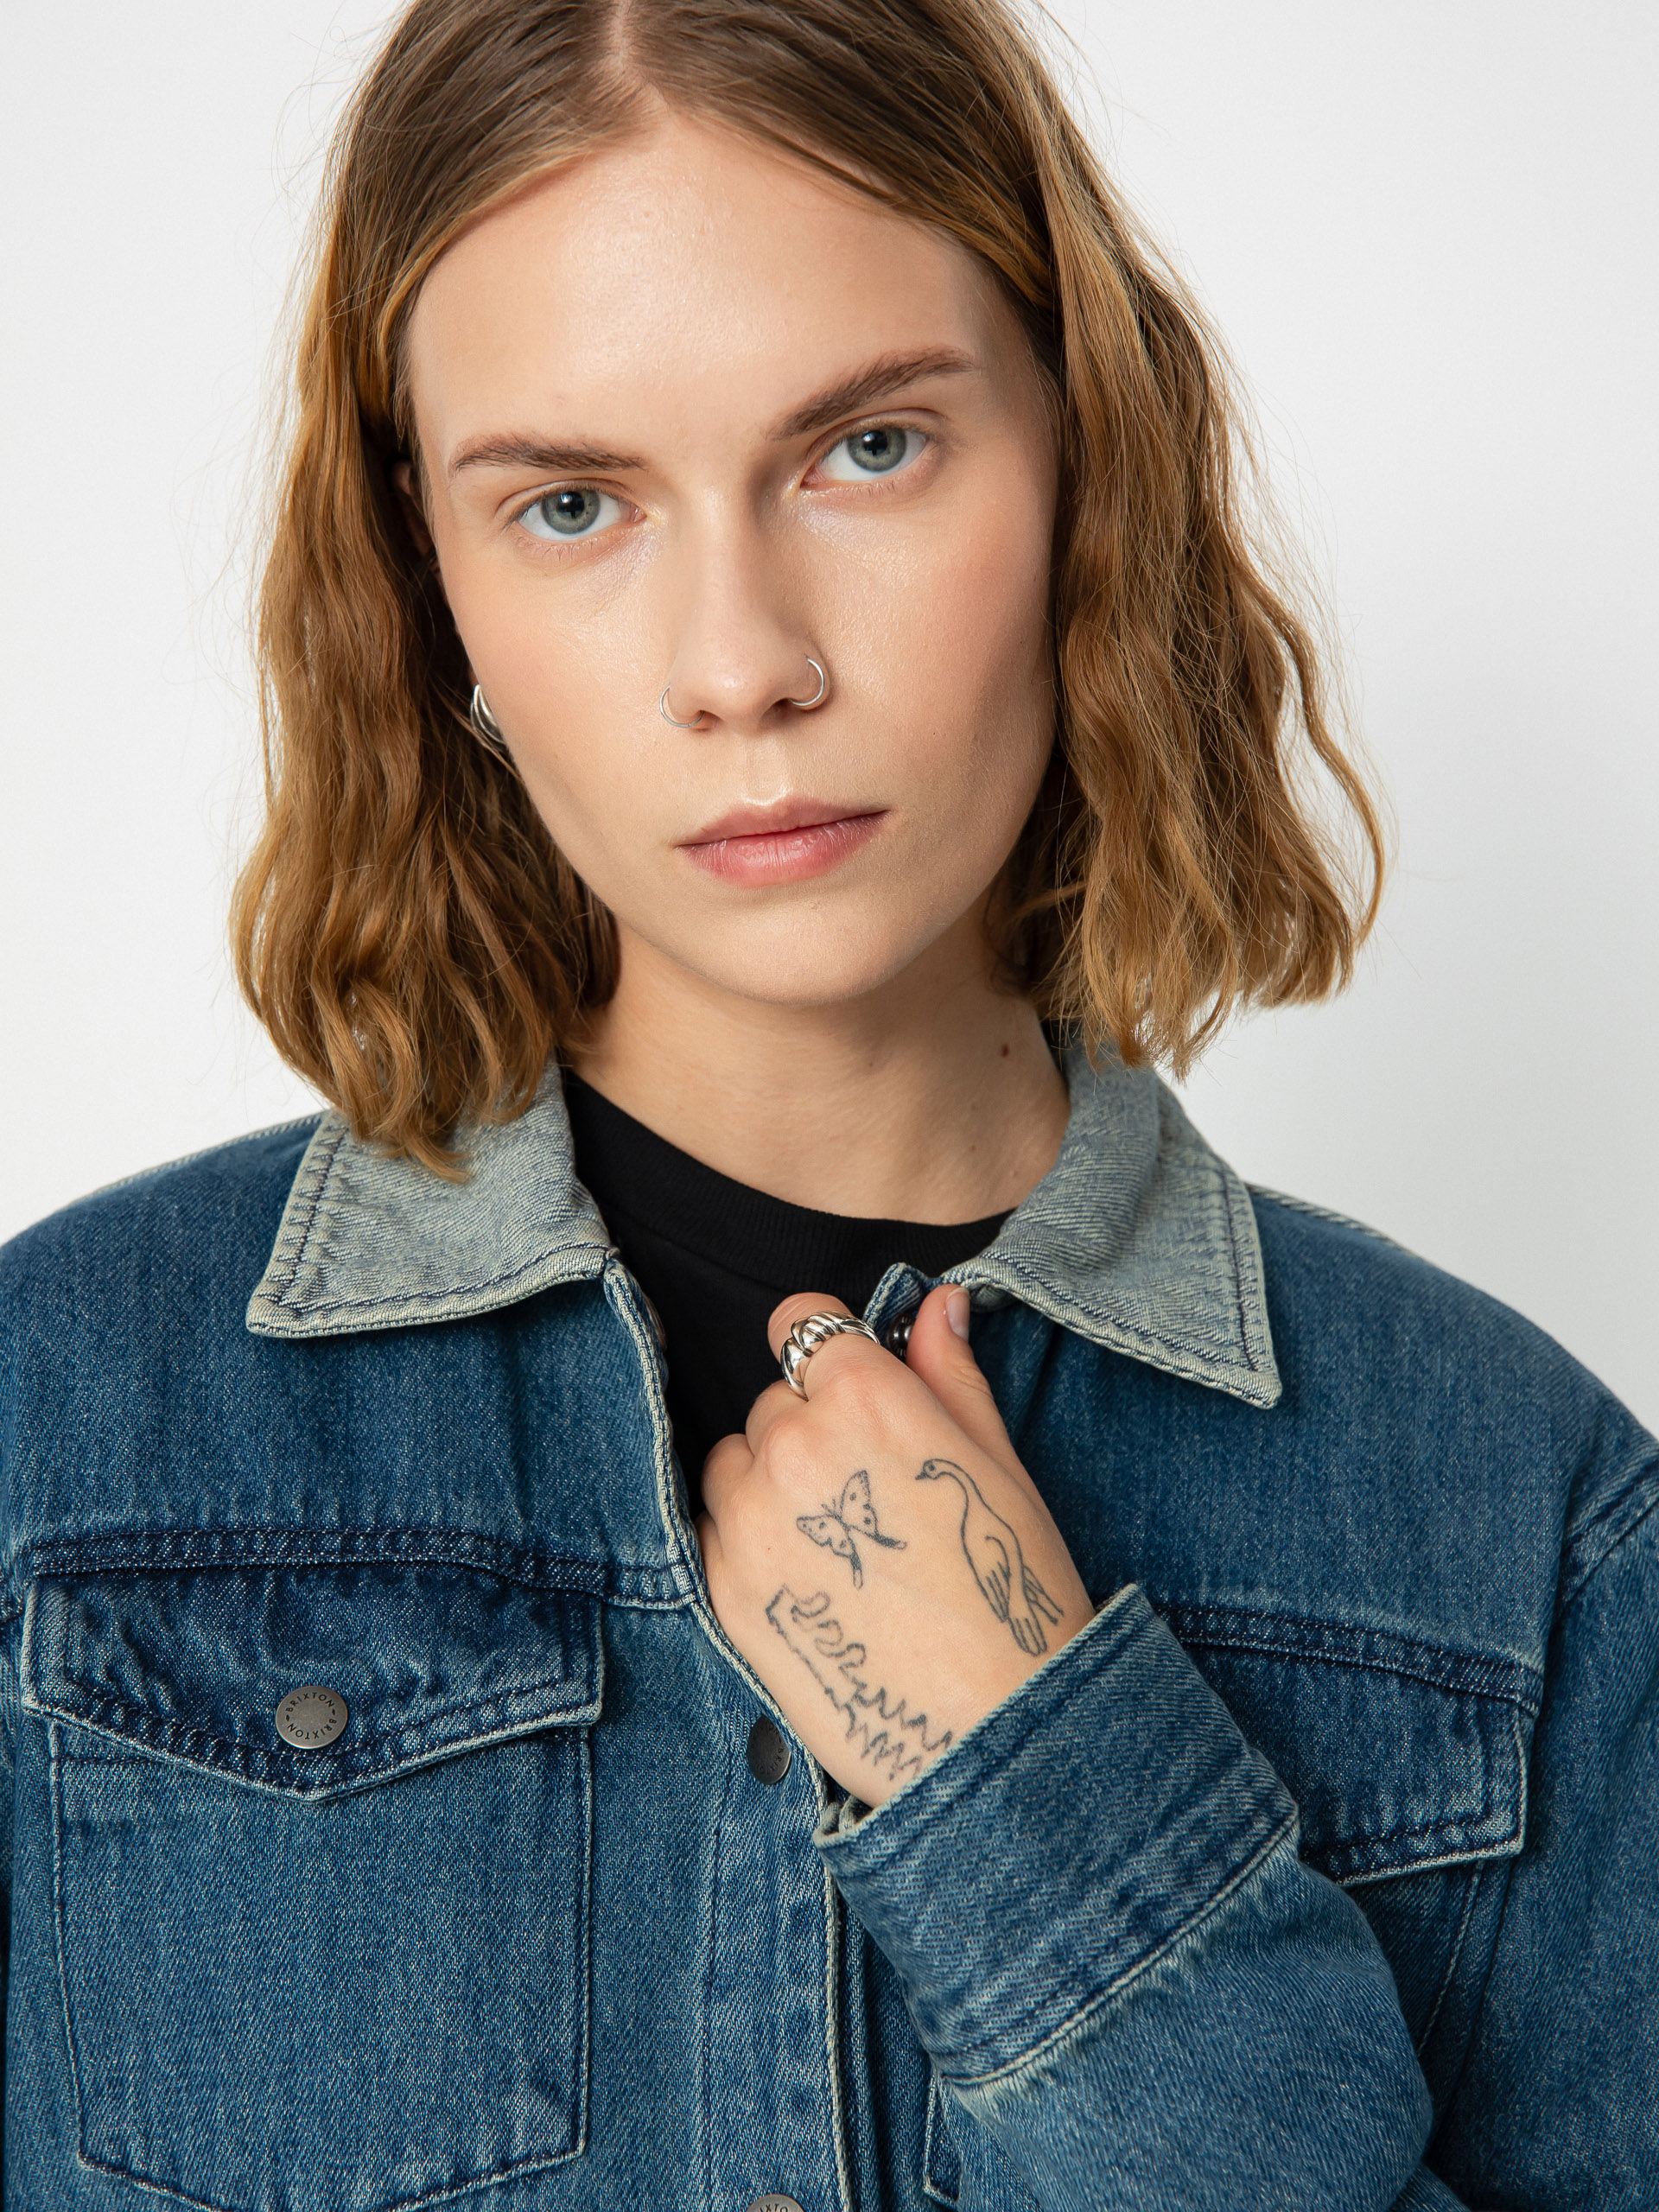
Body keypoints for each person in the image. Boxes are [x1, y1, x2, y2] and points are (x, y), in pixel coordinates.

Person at [0, 0, 1652, 2204]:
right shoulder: (55, 1428)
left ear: (1083, 458)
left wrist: (1041, 1797)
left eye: (867, 448)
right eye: (572, 503)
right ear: (430, 581)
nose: (742, 661)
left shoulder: (1531, 1527)